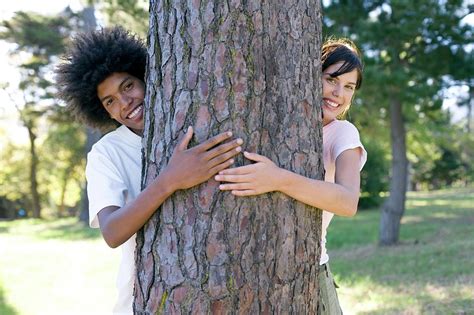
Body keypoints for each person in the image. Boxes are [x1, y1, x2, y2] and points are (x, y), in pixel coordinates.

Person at [55, 26, 243, 315]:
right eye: (110, 102)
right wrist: (169, 181)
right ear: (102, 111)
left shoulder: (187, 117)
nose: (124, 103)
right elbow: (112, 232)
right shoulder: (106, 153)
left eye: (128, 86)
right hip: (145, 298)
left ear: (144, 75)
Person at [215, 38, 367, 314]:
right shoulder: (277, 119)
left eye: (349, 87)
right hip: (246, 274)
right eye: (331, 79)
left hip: (309, 272)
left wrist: (277, 179)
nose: (338, 93)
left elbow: (348, 201)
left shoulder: (342, 133)